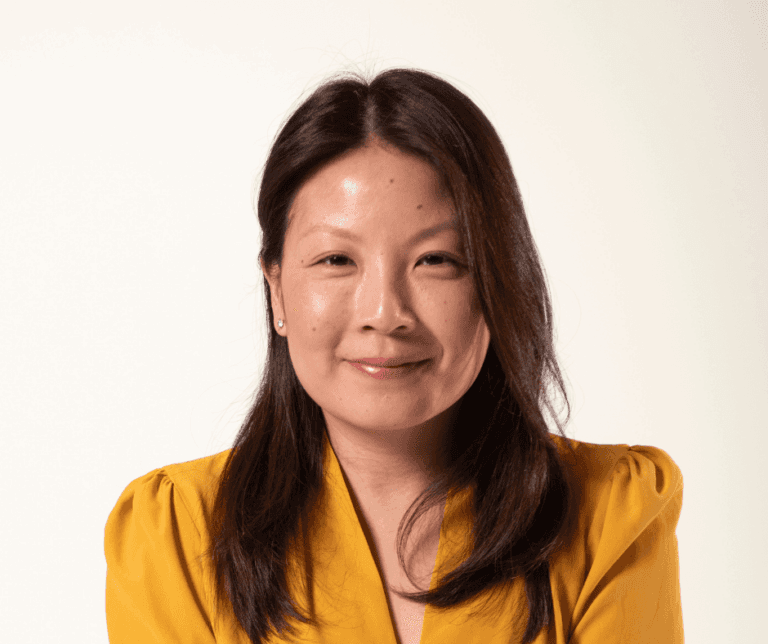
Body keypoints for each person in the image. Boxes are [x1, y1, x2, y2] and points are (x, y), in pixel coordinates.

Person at [104, 68, 684, 644]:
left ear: (497, 283)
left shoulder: (612, 515)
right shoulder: (175, 535)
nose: (384, 313)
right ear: (276, 290)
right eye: (336, 260)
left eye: (436, 260)